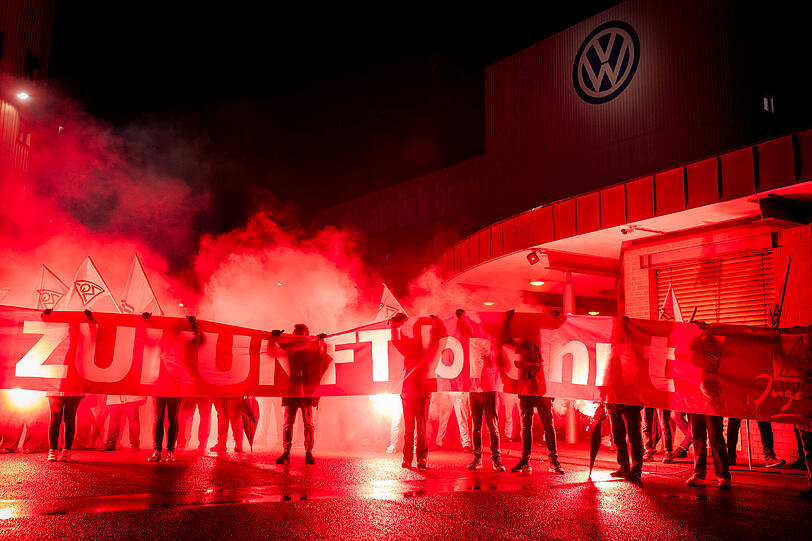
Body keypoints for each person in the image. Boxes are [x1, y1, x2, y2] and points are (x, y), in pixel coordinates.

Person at [390, 313, 441, 469]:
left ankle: (421, 458)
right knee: (409, 427)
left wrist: (437, 323)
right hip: (409, 393)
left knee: (421, 429)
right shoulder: (408, 347)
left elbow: (435, 340)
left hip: (424, 392)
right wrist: (394, 325)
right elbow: (396, 340)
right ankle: (407, 458)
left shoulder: (428, 351)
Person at [274, 324, 328, 465]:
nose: (297, 335)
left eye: (299, 332)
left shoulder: (312, 347)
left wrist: (321, 341)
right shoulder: (290, 346)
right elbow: (274, 351)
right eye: (295, 332)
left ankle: (308, 453)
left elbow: (324, 355)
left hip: (306, 390)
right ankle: (287, 452)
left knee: (307, 423)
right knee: (289, 423)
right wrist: (273, 338)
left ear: (306, 334)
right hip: (292, 389)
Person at [509, 337, 565, 475]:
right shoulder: (526, 342)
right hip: (529, 388)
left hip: (541, 389)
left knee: (547, 427)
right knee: (528, 427)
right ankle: (528, 460)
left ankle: (551, 460)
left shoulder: (542, 341)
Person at [467, 349, 504, 471]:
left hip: (489, 391)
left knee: (492, 427)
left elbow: (501, 367)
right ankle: (477, 458)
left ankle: (496, 459)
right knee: (476, 428)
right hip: (474, 391)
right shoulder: (470, 345)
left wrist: (491, 365)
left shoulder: (492, 346)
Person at [686, 414, 731, 489]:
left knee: (715, 436)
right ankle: (698, 473)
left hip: (711, 404)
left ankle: (723, 475)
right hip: (693, 405)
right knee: (697, 437)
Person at [606, 403, 644, 482]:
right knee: (618, 436)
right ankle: (624, 466)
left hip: (630, 403)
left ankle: (636, 469)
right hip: (615, 404)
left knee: (634, 436)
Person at [46, 391, 84, 462]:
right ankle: (53, 450)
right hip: (55, 389)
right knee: (55, 417)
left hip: (73, 390)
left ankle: (66, 450)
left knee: (69, 418)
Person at [149, 396, 181, 462]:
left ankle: (166, 451)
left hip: (173, 390)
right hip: (161, 389)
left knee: (171, 419)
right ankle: (161, 451)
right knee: (162, 419)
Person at [795, 423, 812, 498]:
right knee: (809, 452)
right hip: (804, 423)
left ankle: (811, 484)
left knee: (809, 452)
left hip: (805, 422)